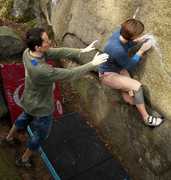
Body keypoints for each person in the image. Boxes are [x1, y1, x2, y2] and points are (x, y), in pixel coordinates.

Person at [0, 28, 109, 168]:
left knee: (23, 118)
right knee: (40, 135)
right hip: (41, 108)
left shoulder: (29, 53)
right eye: (46, 41)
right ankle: (24, 159)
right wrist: (92, 64)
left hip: (28, 100)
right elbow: (69, 74)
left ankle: (9, 138)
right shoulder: (42, 70)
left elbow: (59, 51)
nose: (50, 42)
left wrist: (83, 50)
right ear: (38, 46)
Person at [99, 18, 164, 127]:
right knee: (137, 87)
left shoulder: (120, 31)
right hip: (107, 75)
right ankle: (147, 119)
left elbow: (126, 43)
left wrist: (136, 41)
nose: (140, 35)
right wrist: (141, 50)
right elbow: (129, 65)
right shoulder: (117, 49)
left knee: (131, 97)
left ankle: (129, 100)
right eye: (138, 35)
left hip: (117, 68)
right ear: (132, 36)